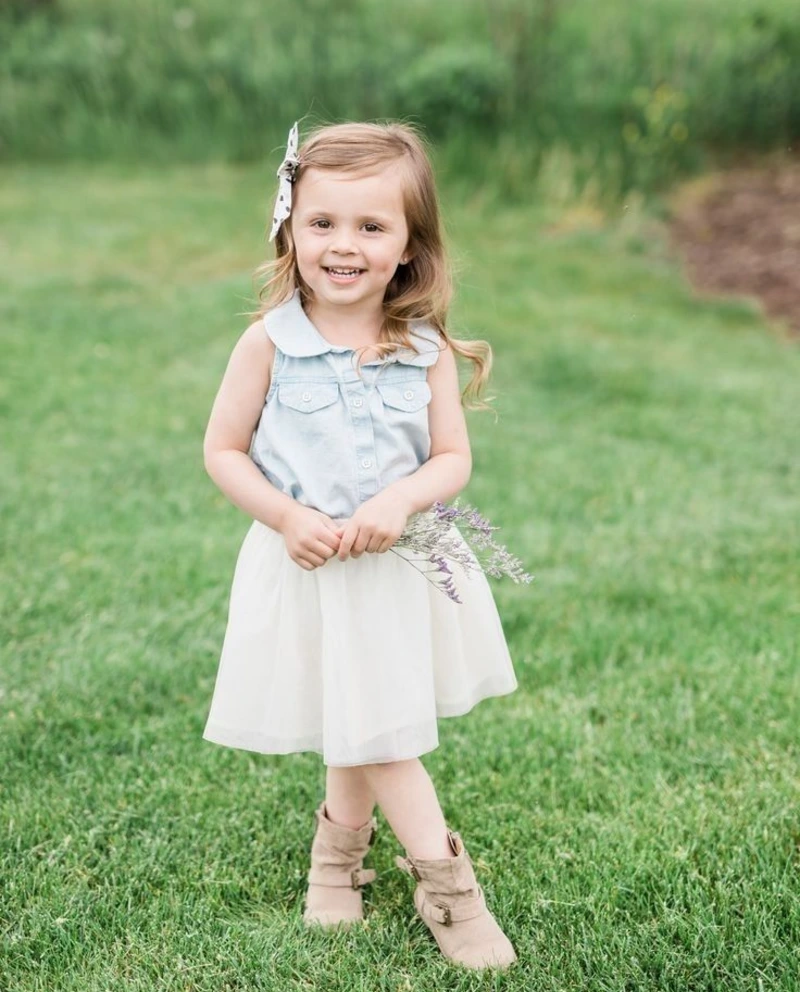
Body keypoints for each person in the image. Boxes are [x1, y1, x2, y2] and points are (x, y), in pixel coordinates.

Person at [201, 119, 520, 971]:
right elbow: (222, 451)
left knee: (369, 719)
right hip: (310, 567)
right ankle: (448, 886)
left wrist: (402, 497)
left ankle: (336, 861)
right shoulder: (268, 344)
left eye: (372, 227)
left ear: (409, 244)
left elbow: (451, 458)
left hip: (397, 567)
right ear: (291, 227)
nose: (344, 246)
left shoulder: (424, 351)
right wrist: (284, 516)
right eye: (323, 223)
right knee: (377, 728)